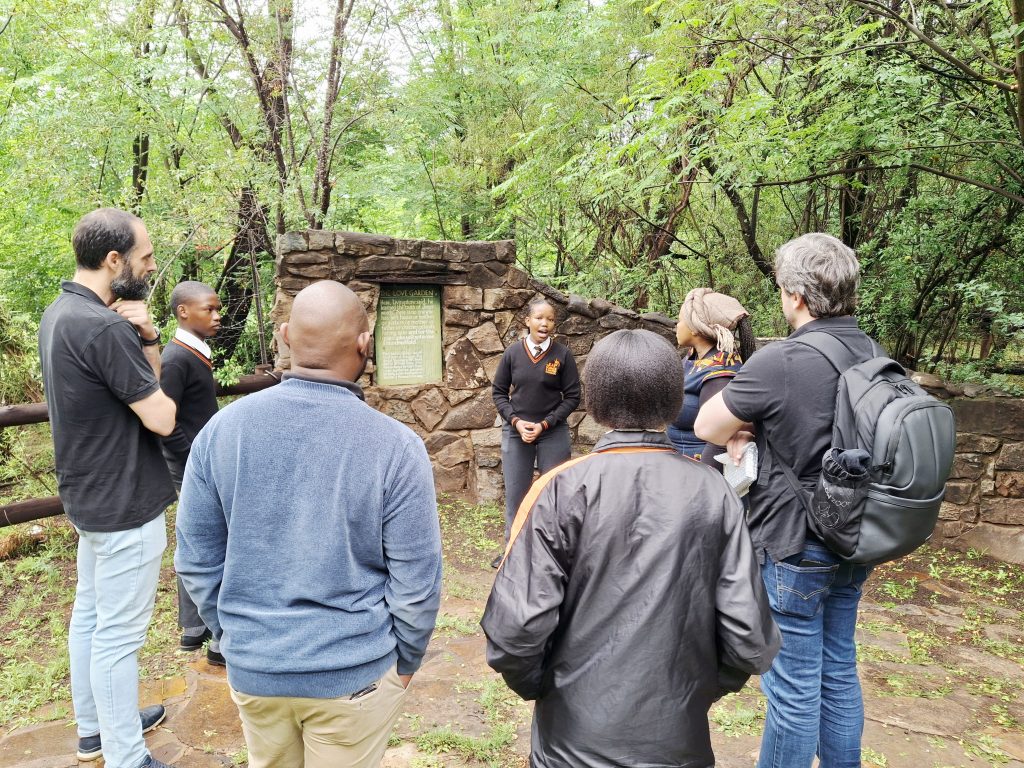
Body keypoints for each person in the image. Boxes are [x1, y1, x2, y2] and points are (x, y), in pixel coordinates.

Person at [482, 329, 780, 768]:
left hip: (569, 747)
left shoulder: (558, 490)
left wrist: (549, 687)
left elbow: (515, 631)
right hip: (678, 744)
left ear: (595, 401)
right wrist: (695, 688)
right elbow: (748, 637)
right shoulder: (713, 493)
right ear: (675, 400)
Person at [175, 280, 443, 768]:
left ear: (283, 337)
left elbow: (196, 559)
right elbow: (416, 581)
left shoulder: (221, 432)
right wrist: (406, 661)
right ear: (365, 343)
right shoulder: (397, 448)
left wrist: (235, 638)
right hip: (353, 676)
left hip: (257, 672)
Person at [695, 233, 875, 768]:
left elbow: (707, 424)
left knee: (793, 690)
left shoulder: (783, 360)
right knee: (839, 669)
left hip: (795, 544)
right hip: (854, 537)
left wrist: (744, 430)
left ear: (795, 295)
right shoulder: (870, 351)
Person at [38, 208, 178, 768]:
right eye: (143, 256)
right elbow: (162, 416)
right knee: (118, 635)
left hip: (87, 495)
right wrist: (143, 334)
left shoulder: (59, 314)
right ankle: (126, 756)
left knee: (91, 617)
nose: (148, 266)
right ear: (114, 260)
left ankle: (95, 729)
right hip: (124, 501)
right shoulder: (103, 327)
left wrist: (141, 331)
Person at [159, 281, 223, 664]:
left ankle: (196, 627)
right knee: (207, 544)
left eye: (218, 309)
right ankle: (214, 635)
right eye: (209, 309)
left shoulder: (194, 352)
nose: (217, 316)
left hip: (197, 465)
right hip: (189, 468)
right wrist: (193, 461)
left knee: (197, 541)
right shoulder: (175, 358)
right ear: (184, 312)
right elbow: (166, 422)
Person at [491, 298, 580, 568]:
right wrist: (516, 422)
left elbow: (573, 396)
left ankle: (554, 553)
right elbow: (498, 393)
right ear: (527, 321)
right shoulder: (512, 354)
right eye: (539, 318)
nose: (545, 323)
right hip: (517, 431)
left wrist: (545, 424)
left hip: (552, 432)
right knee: (517, 493)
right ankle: (512, 550)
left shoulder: (562, 355)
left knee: (554, 492)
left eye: (550, 319)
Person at [669, 287, 755, 469]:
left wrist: (704, 484)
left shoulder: (720, 373)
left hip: (697, 474)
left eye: (680, 320)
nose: (676, 325)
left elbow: (719, 439)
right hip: (676, 467)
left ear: (694, 328)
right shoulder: (693, 359)